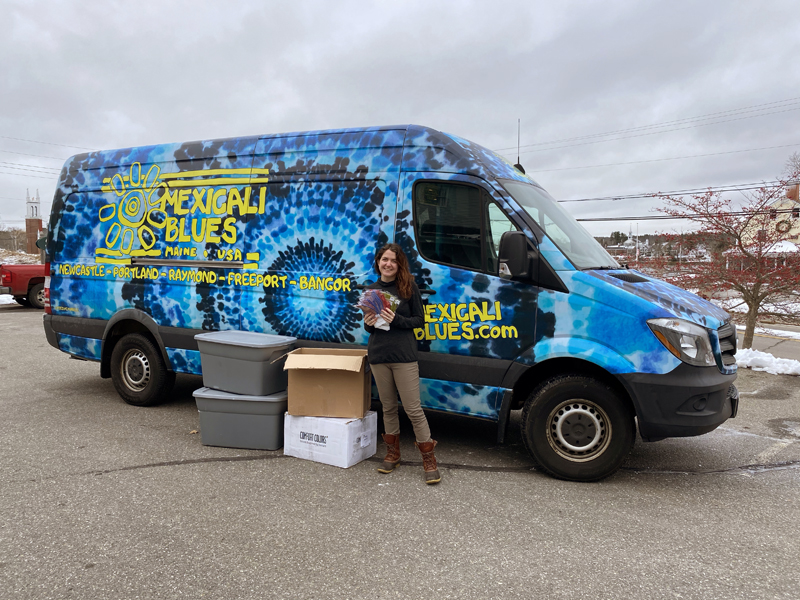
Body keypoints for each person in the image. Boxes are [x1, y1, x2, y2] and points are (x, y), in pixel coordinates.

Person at [363, 243, 441, 484]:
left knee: (413, 409)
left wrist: (396, 319)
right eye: (384, 259)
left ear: (399, 265)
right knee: (387, 407)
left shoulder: (409, 288)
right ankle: (393, 453)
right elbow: (369, 327)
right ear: (378, 262)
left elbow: (419, 321)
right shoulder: (371, 290)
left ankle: (429, 459)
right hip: (379, 355)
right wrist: (368, 321)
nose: (388, 264)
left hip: (404, 356)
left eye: (393, 261)